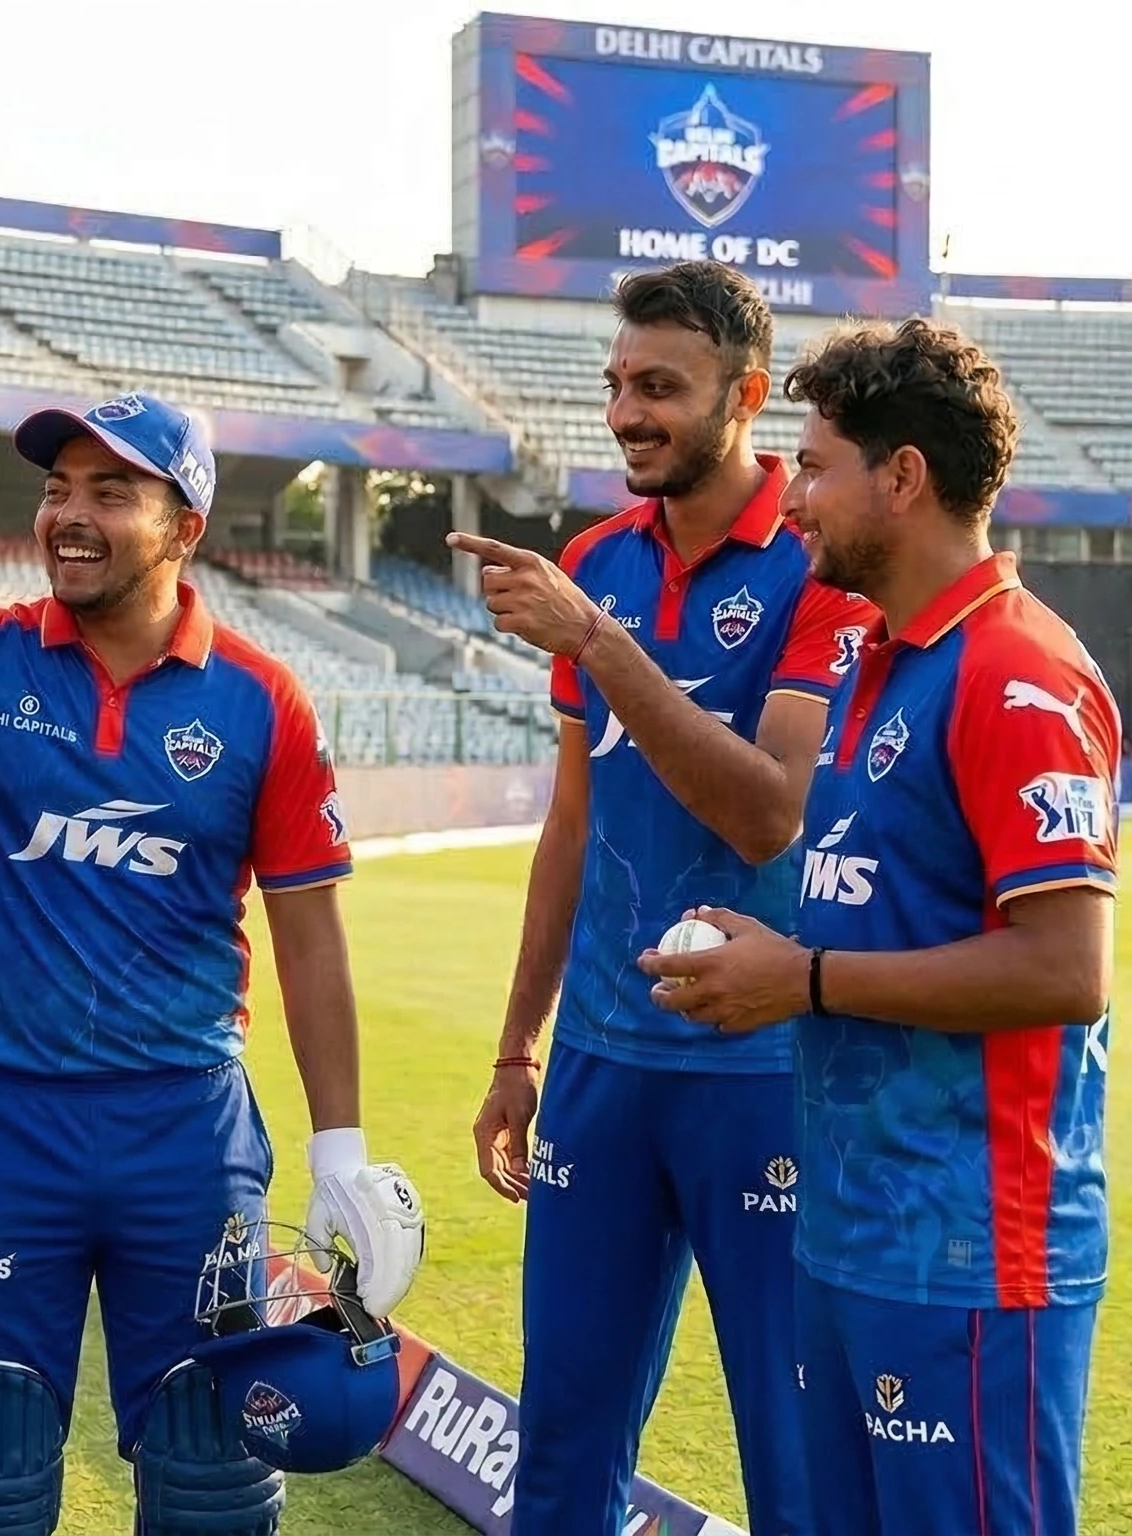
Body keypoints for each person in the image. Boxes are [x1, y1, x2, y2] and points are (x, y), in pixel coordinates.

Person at [0, 392, 426, 1536]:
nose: (68, 516)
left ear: (184, 526)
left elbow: (308, 932)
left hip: (184, 1134)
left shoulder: (259, 700)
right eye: (55, 488)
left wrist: (340, 1154)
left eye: (110, 492)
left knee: (210, 1470)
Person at [643, 317, 1118, 1536]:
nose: (790, 498)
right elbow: (875, 905)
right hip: (844, 1234)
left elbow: (1066, 970)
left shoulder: (1018, 676)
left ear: (901, 477)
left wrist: (796, 981)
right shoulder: (869, 663)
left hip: (969, 1257)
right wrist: (751, 948)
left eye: (813, 467)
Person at [443, 261, 875, 1536]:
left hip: (763, 1074)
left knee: (790, 1461)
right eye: (618, 385)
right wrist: (518, 1047)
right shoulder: (596, 559)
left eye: (661, 389)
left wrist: (597, 644)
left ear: (743, 396)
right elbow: (571, 824)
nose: (628, 413)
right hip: (600, 1070)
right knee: (563, 1439)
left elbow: (765, 812)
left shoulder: (815, 565)